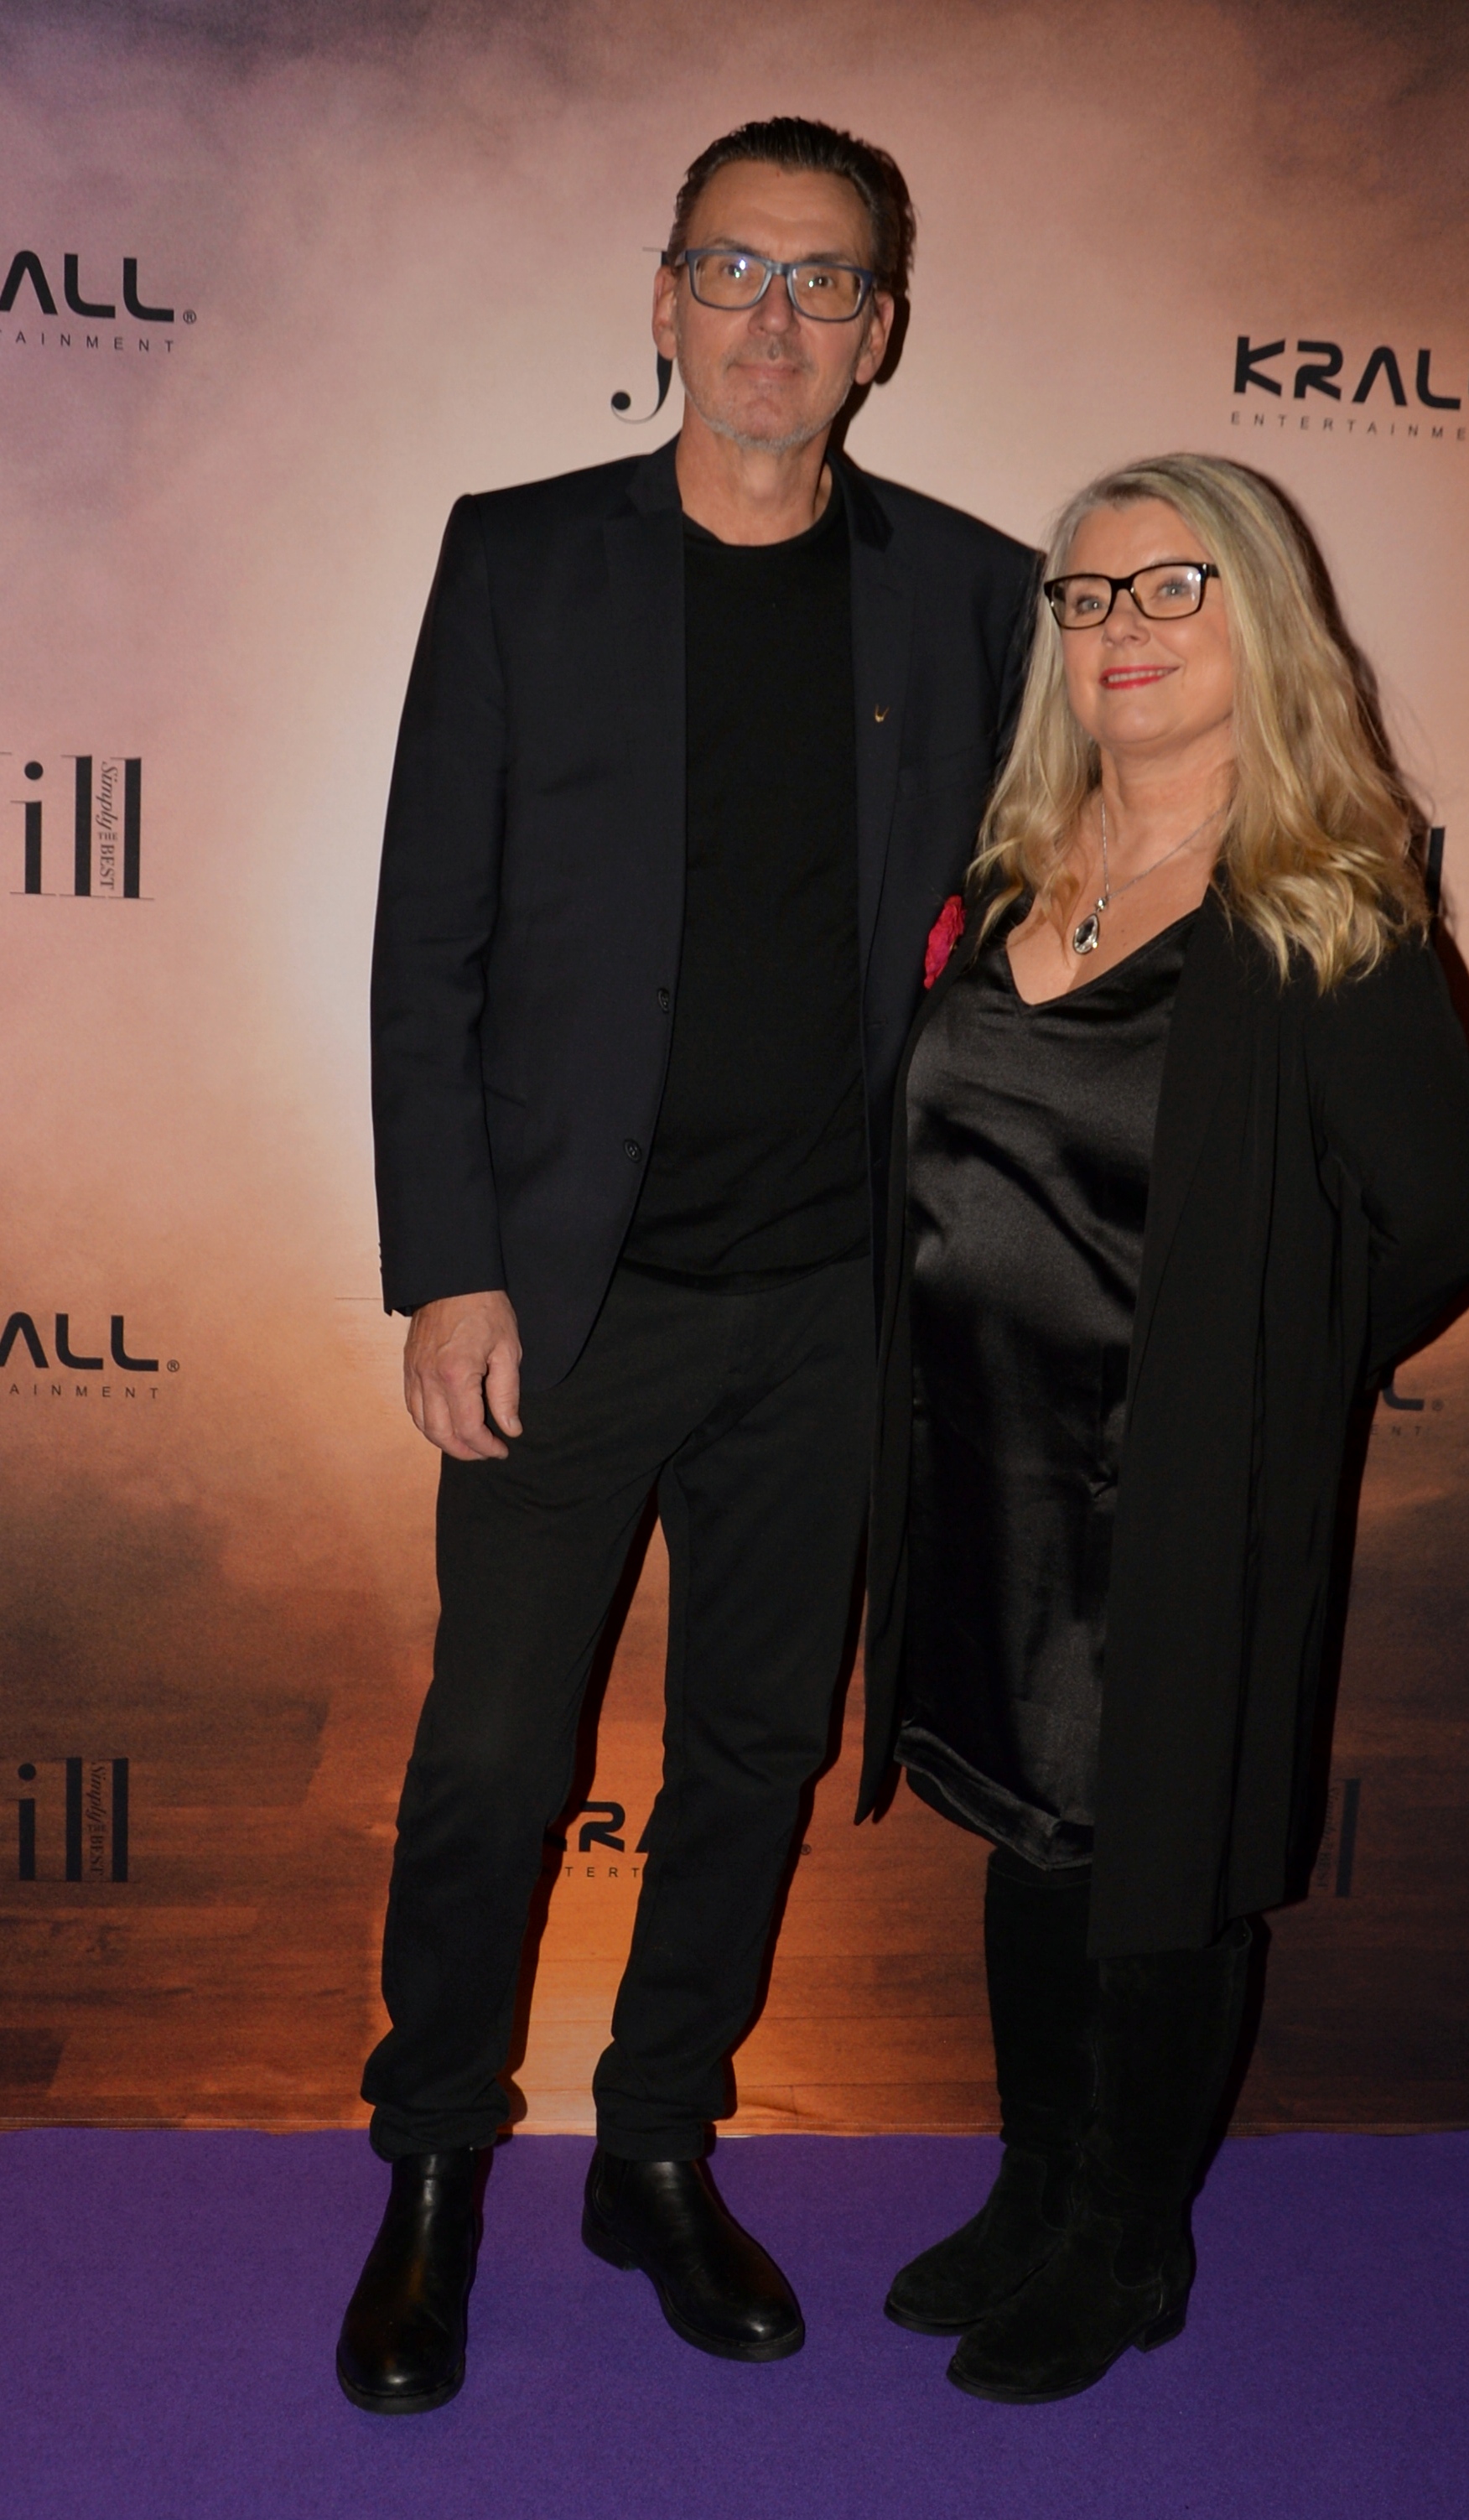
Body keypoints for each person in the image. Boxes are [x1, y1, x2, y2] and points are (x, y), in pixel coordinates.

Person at [337, 116, 1037, 2414]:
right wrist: (448, 1265)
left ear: (879, 331)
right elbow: (426, 939)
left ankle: (654, 2147)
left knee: (753, 1750)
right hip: (568, 1301)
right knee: (489, 1758)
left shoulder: (970, 592)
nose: (772, 316)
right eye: (732, 266)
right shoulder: (521, 559)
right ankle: (433, 2167)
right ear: (661, 299)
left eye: (823, 280)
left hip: (831, 1304)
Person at [859, 453, 1469, 2403]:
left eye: (1169, 588)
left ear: (1260, 623)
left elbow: (1453, 1214)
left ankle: (1126, 2241)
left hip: (1176, 1493)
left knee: (1154, 1855)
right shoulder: (1001, 872)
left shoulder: (1325, 909)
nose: (1119, 629)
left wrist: (1258, 1377)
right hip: (979, 1468)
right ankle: (1034, 2183)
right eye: (1086, 596)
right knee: (1025, 1825)